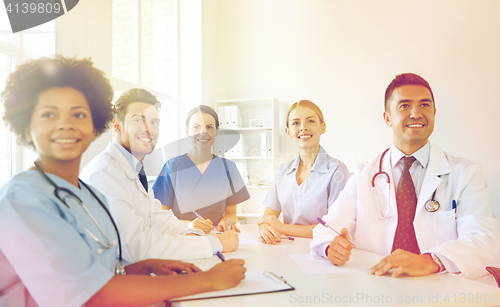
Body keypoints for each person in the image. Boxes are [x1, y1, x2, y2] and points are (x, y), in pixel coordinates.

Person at [0, 56, 245, 307]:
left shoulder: (84, 192)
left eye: (78, 114)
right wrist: (210, 279)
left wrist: (140, 268)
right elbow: (91, 295)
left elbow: (97, 265)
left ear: (95, 126)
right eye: (49, 114)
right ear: (27, 128)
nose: (66, 124)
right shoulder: (22, 199)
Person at [310, 73, 500, 284]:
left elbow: (482, 237)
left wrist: (432, 260)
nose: (416, 113)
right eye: (404, 105)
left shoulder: (466, 174)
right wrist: (330, 246)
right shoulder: (364, 175)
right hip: (381, 285)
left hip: (444, 286)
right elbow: (326, 228)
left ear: (434, 113)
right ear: (387, 118)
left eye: (425, 105)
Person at [80, 90, 240, 262]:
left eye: (154, 122)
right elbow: (136, 246)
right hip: (111, 277)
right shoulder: (104, 174)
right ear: (118, 126)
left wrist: (195, 235)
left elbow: (159, 219)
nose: (148, 129)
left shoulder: (134, 169)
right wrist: (213, 244)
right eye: (137, 120)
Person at [259, 100, 350, 244]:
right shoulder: (283, 171)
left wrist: (282, 228)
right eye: (295, 123)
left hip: (323, 251)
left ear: (323, 127)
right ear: (288, 131)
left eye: (310, 121)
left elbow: (333, 227)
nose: (303, 128)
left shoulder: (337, 171)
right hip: (285, 250)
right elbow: (267, 219)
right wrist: (265, 229)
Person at [152, 105, 250, 234]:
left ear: (216, 131)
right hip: (182, 236)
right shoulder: (173, 167)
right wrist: (188, 225)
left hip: (217, 236)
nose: (203, 132)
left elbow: (231, 214)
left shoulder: (229, 168)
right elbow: (159, 217)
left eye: (209, 127)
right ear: (187, 131)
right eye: (196, 127)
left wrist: (226, 221)